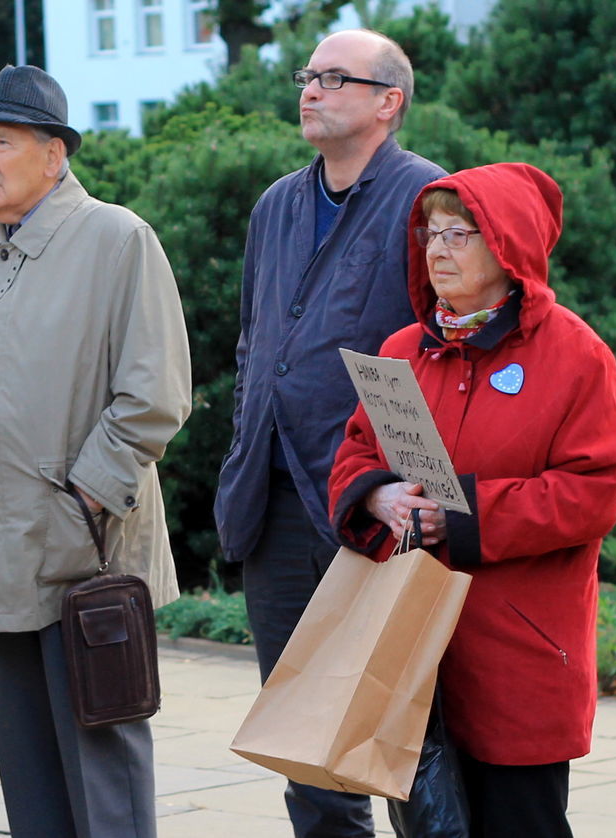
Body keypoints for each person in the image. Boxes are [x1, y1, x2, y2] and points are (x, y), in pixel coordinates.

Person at [0, 64, 191, 838]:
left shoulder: (117, 239)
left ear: (55, 154)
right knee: (28, 770)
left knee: (102, 766)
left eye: (1, 141)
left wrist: (86, 497)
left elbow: (155, 393)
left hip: (87, 556)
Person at [329, 162, 616, 837]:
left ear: (510, 243)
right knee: (427, 825)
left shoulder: (577, 356)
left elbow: (595, 490)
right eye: (430, 233)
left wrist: (461, 515)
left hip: (521, 654)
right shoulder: (403, 349)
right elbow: (355, 453)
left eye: (459, 233)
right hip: (411, 655)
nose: (437, 248)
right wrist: (377, 498)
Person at [212, 29, 446, 836]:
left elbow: (445, 351)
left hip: (377, 505)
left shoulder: (428, 201)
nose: (311, 90)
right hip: (274, 503)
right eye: (308, 75)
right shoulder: (278, 203)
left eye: (335, 79)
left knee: (403, 739)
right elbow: (254, 340)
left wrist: (410, 490)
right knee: (306, 744)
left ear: (390, 102)